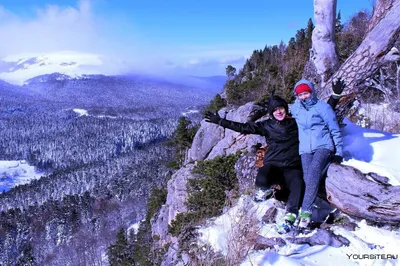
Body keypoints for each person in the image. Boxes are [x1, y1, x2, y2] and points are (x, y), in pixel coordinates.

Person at [291, 79, 344, 229]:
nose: (303, 97)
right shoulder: (296, 109)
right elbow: (283, 115)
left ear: (312, 92)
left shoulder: (323, 107)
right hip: (305, 149)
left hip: (324, 146)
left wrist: (339, 151)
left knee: (314, 171)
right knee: (308, 178)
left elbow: (334, 129)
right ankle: (326, 207)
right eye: (300, 94)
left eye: (306, 93)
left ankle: (305, 212)